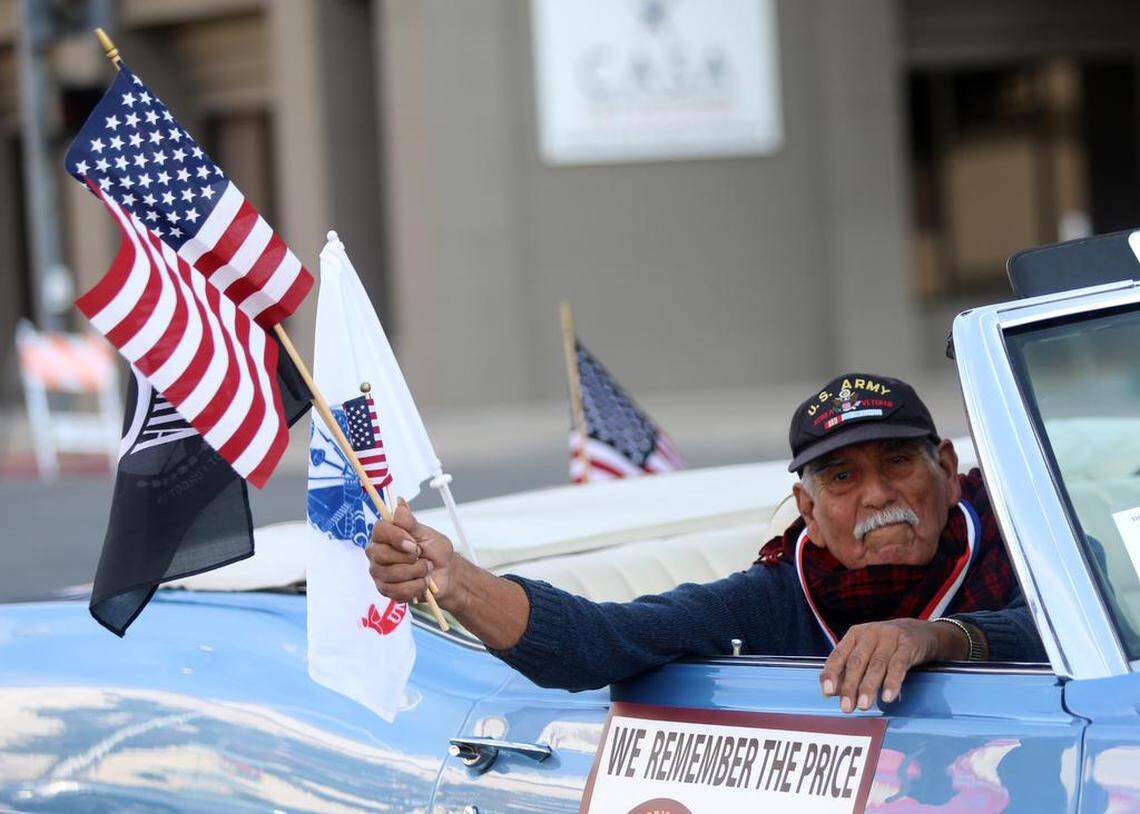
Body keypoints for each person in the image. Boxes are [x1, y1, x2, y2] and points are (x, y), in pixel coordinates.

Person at [367, 373, 1045, 712]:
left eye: (898, 462)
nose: (876, 495)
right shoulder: (775, 594)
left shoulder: (1036, 541)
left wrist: (936, 637)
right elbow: (601, 642)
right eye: (842, 476)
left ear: (948, 472)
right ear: (807, 509)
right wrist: (453, 580)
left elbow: (1088, 631)